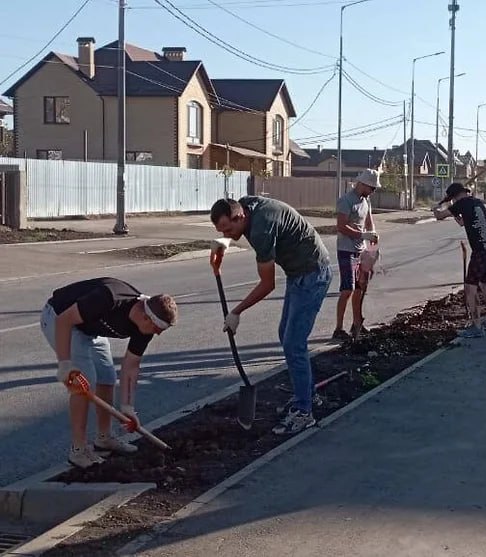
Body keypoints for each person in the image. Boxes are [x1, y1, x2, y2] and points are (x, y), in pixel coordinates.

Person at [210, 195, 338, 435]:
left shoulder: (261, 229)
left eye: (228, 229)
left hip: (312, 274)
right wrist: (221, 243)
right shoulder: (245, 206)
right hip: (298, 271)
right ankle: (307, 395)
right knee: (287, 337)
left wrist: (236, 312)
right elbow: (234, 227)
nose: (227, 234)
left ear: (240, 217)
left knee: (293, 343)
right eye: (221, 230)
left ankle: (304, 412)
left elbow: (267, 285)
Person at [40, 278, 178, 469]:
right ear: (147, 318)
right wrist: (65, 365)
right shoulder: (109, 298)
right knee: (84, 383)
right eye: (157, 329)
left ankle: (104, 438)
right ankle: (78, 450)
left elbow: (131, 365)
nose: (158, 334)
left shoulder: (145, 328)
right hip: (59, 318)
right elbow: (64, 320)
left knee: (107, 377)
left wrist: (128, 407)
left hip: (91, 330)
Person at [433, 183, 486, 338]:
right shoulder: (476, 202)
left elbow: (439, 216)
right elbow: (462, 222)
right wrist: (452, 208)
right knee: (484, 282)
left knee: (470, 287)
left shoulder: (462, 203)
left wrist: (435, 209)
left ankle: (476, 326)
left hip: (480, 251)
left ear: (455, 196)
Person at [333, 169, 380, 341]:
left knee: (360, 288)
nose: (373, 191)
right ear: (362, 184)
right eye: (371, 188)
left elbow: (369, 220)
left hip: (361, 250)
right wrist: (362, 235)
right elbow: (341, 226)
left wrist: (372, 234)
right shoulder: (346, 201)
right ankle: (338, 328)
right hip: (346, 249)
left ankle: (357, 323)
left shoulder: (365, 200)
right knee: (347, 289)